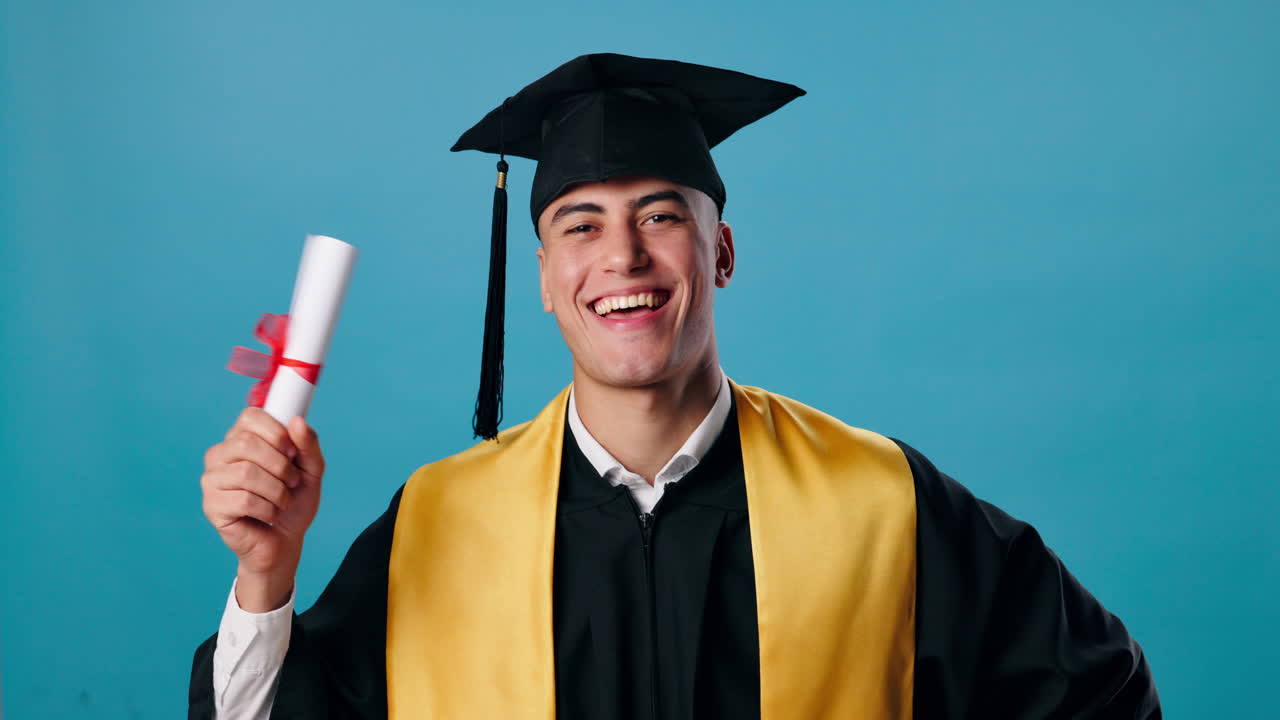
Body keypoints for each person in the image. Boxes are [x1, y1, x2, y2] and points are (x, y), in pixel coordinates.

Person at [189, 54, 1161, 719]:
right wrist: (266, 578)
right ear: (542, 278)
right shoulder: (440, 521)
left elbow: (1095, 696)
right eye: (579, 224)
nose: (620, 256)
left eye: (658, 216)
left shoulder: (877, 504)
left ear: (721, 251)